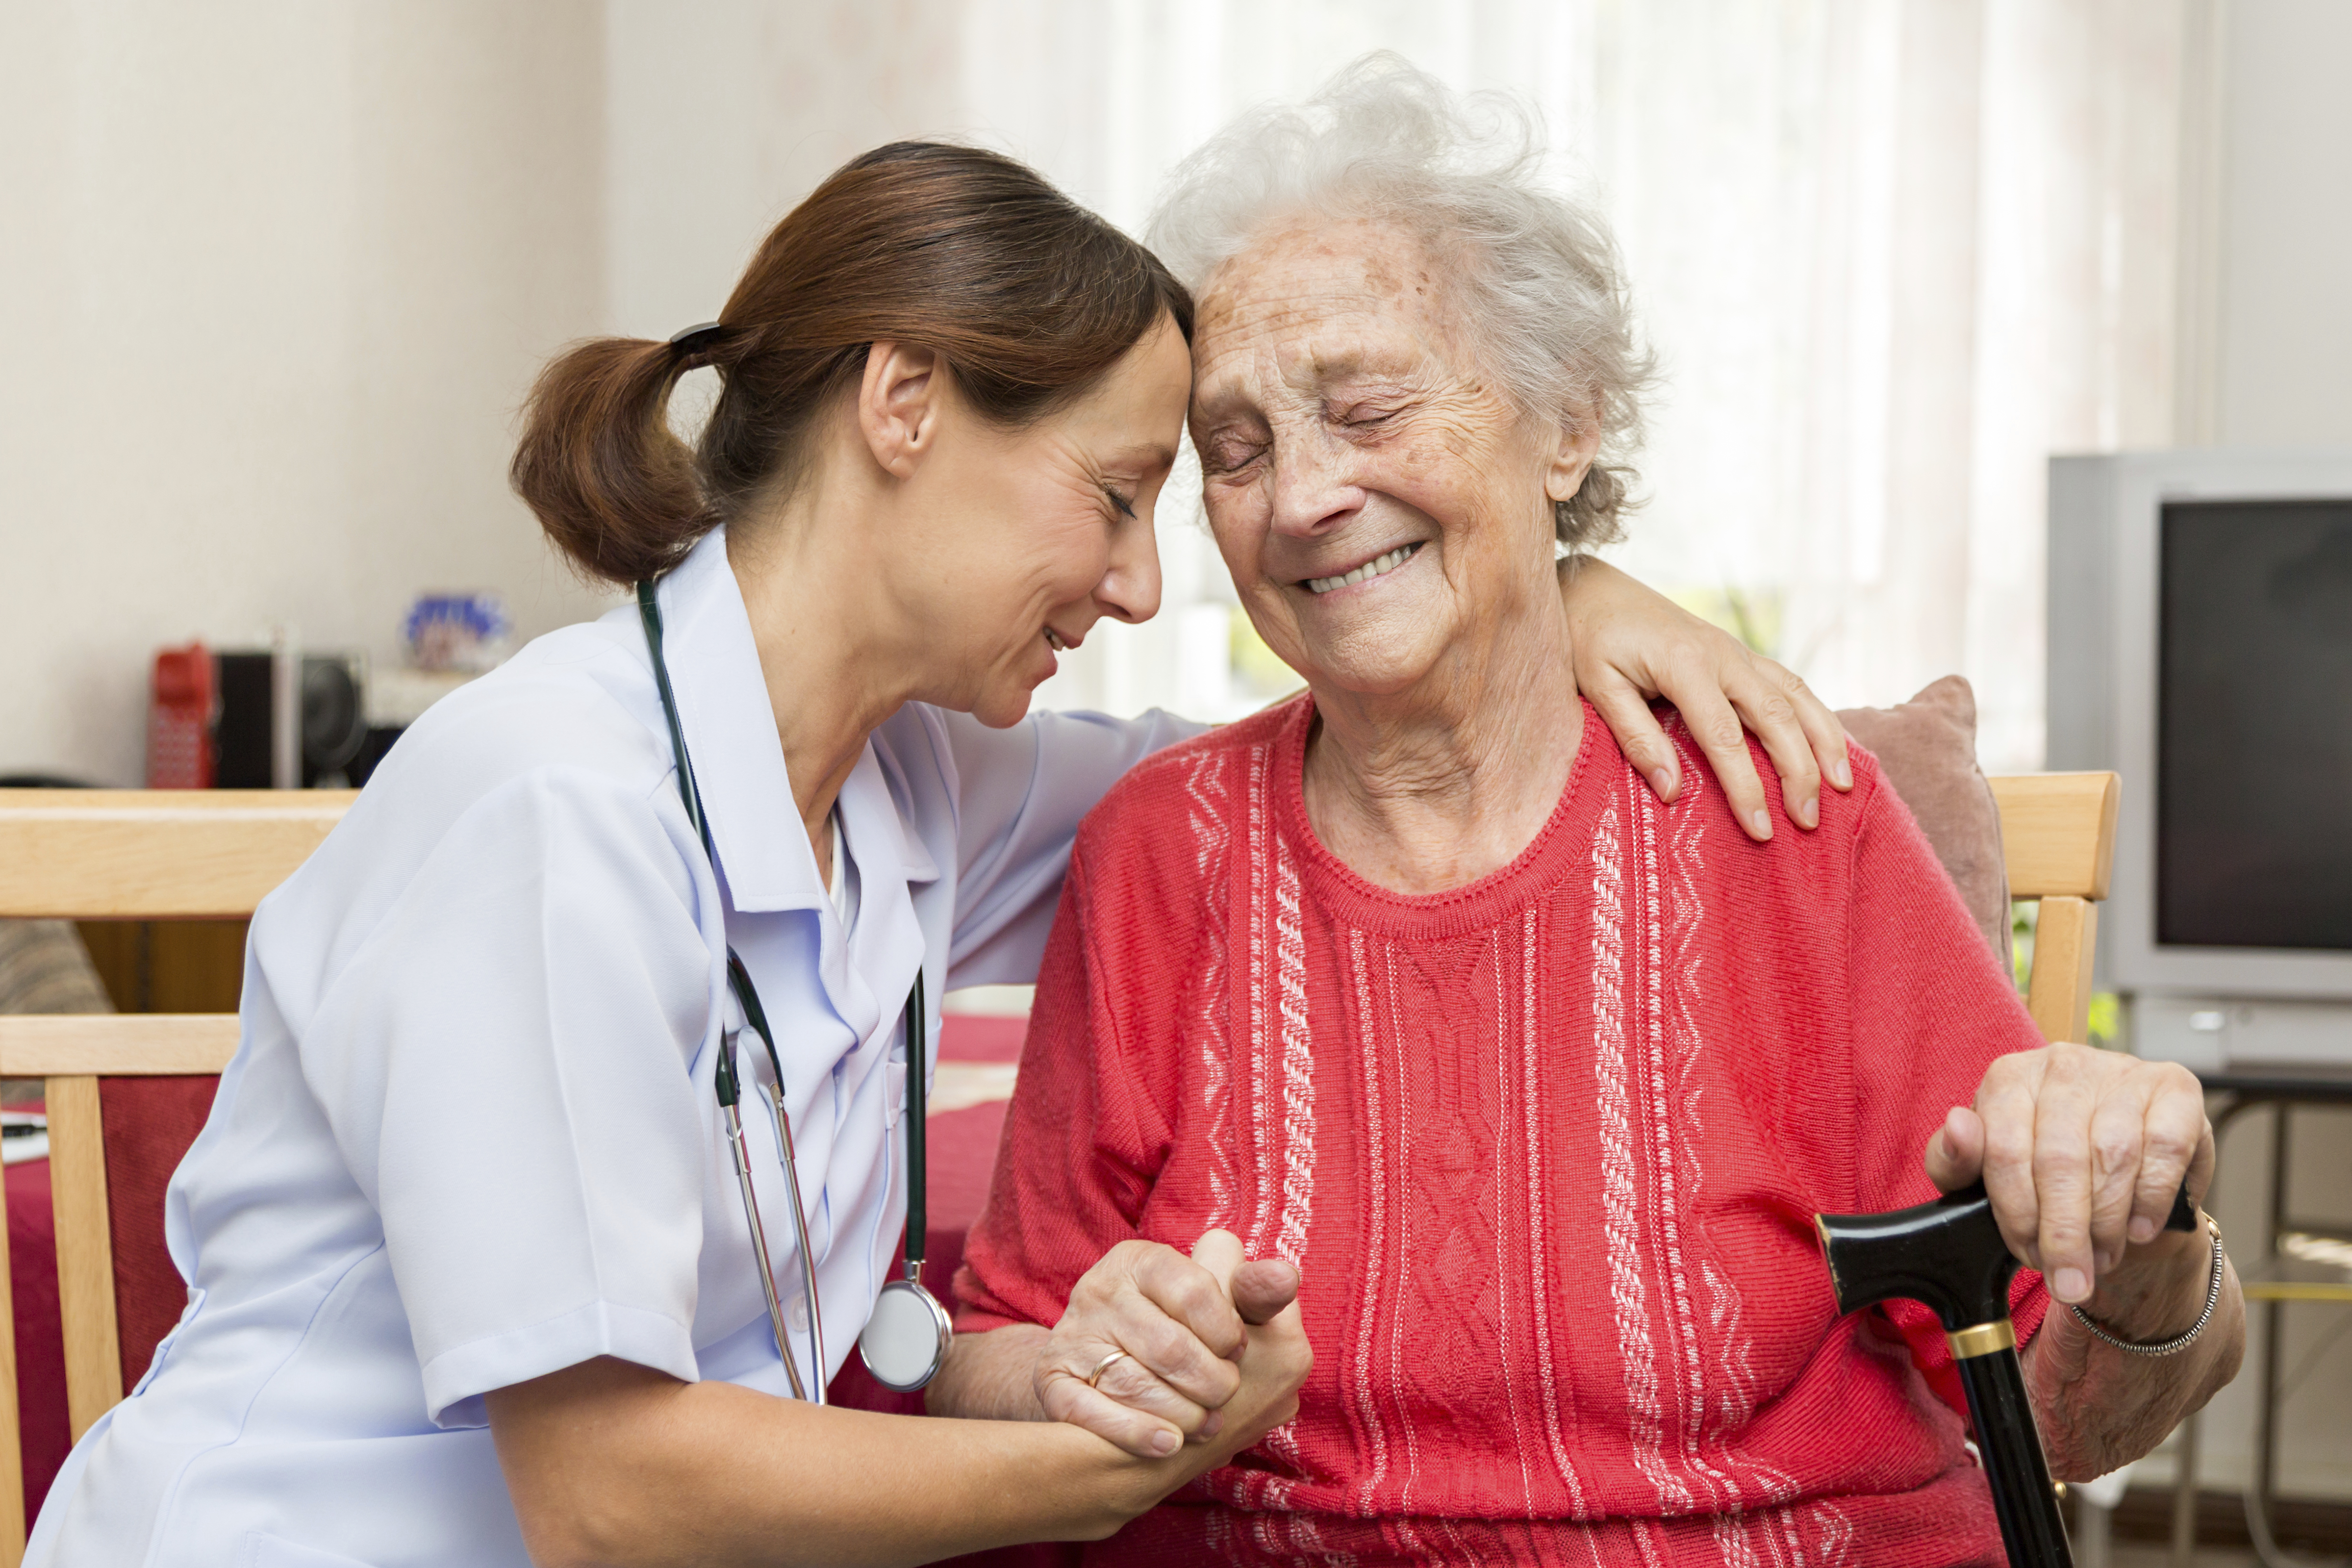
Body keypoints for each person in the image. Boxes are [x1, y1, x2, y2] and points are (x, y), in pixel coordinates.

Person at [26, 141, 1849, 1568]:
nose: (1143, 581)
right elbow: (607, 1496)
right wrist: (1098, 1465)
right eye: (1121, 493)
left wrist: (1551, 580)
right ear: (903, 406)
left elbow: (1313, 747)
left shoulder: (914, 783)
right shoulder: (547, 807)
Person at [942, 61, 2246, 1564]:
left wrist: (2140, 1230)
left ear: (1563, 428)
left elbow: (2072, 1416)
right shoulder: (1161, 848)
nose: (1299, 495)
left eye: (1364, 407)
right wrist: (1075, 1369)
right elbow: (993, 1351)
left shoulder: (1780, 813)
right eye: (1232, 451)